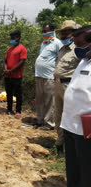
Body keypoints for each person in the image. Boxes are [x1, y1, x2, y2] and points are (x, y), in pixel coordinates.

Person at [60, 25, 91, 187]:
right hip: (70, 124)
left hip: (86, 129)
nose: (76, 49)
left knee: (86, 171)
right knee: (72, 168)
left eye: (79, 45)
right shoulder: (84, 61)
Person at [54, 20, 81, 155]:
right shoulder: (62, 49)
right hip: (58, 85)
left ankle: (70, 147)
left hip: (69, 86)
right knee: (58, 115)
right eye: (63, 32)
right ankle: (60, 143)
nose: (64, 35)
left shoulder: (78, 50)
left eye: (67, 32)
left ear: (74, 34)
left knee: (69, 116)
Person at [34, 23, 63, 129]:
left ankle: (50, 123)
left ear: (52, 31)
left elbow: (60, 59)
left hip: (49, 76)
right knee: (40, 99)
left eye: (45, 31)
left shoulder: (57, 43)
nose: (43, 33)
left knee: (49, 100)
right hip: (39, 75)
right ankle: (40, 119)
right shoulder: (44, 43)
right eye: (43, 31)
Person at [4, 30, 27, 116]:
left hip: (17, 75)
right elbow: (5, 60)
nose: (12, 40)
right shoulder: (9, 49)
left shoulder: (22, 48)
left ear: (18, 38)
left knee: (18, 94)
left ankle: (18, 111)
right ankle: (9, 109)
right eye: (11, 38)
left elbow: (21, 62)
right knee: (8, 93)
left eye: (13, 38)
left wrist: (11, 70)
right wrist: (6, 69)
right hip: (7, 75)